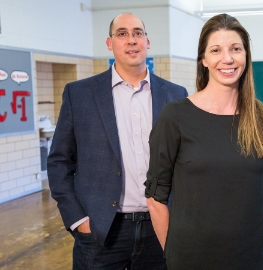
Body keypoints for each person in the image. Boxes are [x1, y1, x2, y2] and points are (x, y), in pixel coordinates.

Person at [47, 13, 187, 269]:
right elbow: (59, 162)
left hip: (161, 224)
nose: (131, 40)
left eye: (137, 33)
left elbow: (186, 161)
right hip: (102, 229)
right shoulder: (80, 94)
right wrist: (78, 220)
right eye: (122, 33)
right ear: (109, 43)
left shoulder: (175, 95)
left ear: (147, 41)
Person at [144, 13, 263, 270]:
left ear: (246, 56)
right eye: (216, 50)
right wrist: (174, 254)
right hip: (191, 260)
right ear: (204, 59)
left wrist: (246, 242)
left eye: (235, 49)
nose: (227, 59)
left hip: (251, 260)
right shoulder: (175, 117)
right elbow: (155, 197)